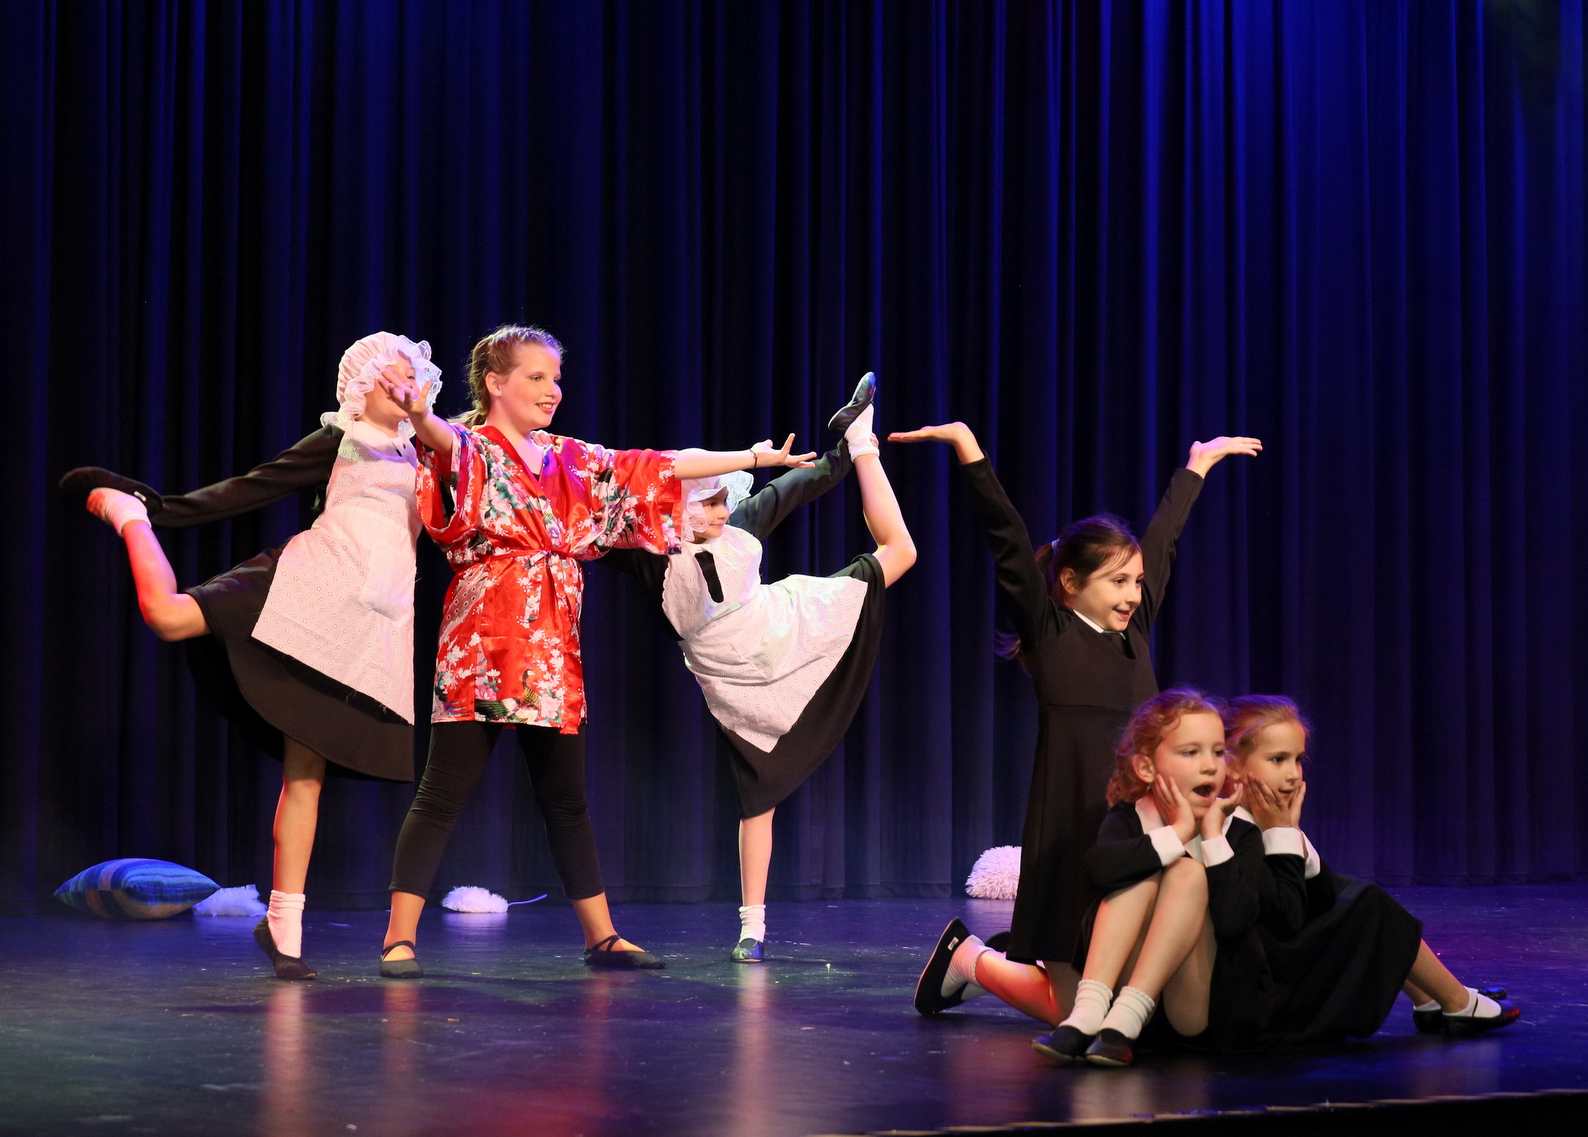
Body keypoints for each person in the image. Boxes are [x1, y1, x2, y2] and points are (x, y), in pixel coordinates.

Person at [377, 324, 816, 977]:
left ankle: (602, 936)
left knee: (567, 799)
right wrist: (418, 413)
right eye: (536, 377)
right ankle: (398, 938)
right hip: (486, 635)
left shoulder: (566, 455)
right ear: (495, 382)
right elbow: (444, 441)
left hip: (554, 639)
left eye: (555, 378)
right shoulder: (474, 445)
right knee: (443, 792)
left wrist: (749, 459)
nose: (552, 390)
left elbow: (656, 465)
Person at [63, 332, 442, 979]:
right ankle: (132, 519)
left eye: (415, 377)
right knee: (168, 616)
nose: (406, 388)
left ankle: (284, 929)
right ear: (363, 386)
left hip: (361, 627)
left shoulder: (429, 454)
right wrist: (157, 508)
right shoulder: (340, 440)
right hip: (304, 587)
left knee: (307, 772)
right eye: (393, 377)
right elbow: (248, 489)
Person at [889, 422, 1260, 981]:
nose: (1132, 595)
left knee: (1131, 969)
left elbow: (1163, 541)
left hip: (1136, 813)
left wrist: (1198, 466)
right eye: (1118, 582)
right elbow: (1008, 539)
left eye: (1136, 582)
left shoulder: (1135, 635)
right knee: (1070, 989)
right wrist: (968, 447)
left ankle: (987, 965)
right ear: (1069, 582)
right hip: (1072, 814)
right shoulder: (1050, 632)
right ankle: (972, 962)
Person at [599, 375, 914, 960]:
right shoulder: (649, 556)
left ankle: (861, 440)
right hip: (734, 684)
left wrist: (841, 456)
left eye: (724, 500)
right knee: (758, 798)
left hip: (788, 630)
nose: (723, 511)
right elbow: (585, 531)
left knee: (902, 553)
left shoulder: (739, 530)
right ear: (678, 507)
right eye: (709, 502)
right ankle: (752, 927)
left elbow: (795, 488)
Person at [917, 687, 1278, 1067]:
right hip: (1124, 1006)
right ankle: (1090, 1015)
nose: (1210, 766)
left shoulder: (1239, 833)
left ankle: (1115, 1012)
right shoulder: (1129, 818)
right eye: (1191, 752)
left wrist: (1212, 838)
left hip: (1193, 1010)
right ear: (1146, 768)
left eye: (1218, 752)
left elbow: (1237, 920)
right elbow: (1099, 870)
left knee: (1188, 873)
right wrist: (1177, 834)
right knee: (1137, 875)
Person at [1221, 694, 1520, 1046]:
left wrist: (1291, 831)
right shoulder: (1234, 831)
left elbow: (1322, 895)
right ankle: (1456, 1002)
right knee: (1368, 904)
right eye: (1278, 760)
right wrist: (1283, 832)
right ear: (1233, 766)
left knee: (1347, 892)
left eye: (1298, 760)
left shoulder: (1263, 821)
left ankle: (1429, 997)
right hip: (1267, 993)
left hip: (1280, 963)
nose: (1293, 774)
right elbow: (1284, 920)